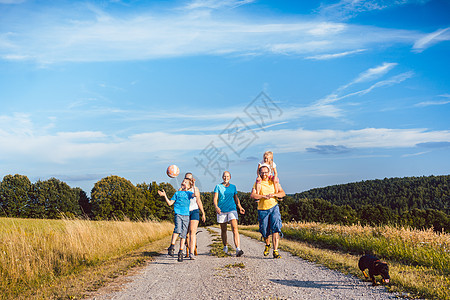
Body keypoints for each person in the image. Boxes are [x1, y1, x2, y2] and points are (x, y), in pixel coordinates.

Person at [250, 165, 286, 258]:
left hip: (274, 207)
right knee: (265, 231)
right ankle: (267, 245)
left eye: (266, 172)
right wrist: (263, 196)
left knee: (276, 228)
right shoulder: (258, 183)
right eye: (262, 172)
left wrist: (274, 195)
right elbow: (253, 195)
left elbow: (282, 193)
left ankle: (275, 251)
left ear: (269, 172)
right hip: (262, 210)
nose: (264, 174)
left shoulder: (274, 182)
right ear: (259, 173)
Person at [158, 178, 194, 262]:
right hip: (178, 214)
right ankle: (172, 246)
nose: (183, 183)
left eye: (186, 182)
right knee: (177, 229)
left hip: (186, 215)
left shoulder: (189, 193)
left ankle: (181, 252)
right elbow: (170, 203)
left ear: (188, 186)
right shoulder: (177, 193)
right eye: (183, 181)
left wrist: (194, 185)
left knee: (184, 234)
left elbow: (195, 195)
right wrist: (165, 196)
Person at [213, 171, 245, 257]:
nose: (225, 178)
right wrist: (216, 207)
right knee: (224, 230)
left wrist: (240, 207)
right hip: (222, 210)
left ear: (230, 177)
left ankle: (238, 249)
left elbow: (236, 199)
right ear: (222, 177)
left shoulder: (233, 187)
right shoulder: (218, 186)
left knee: (235, 228)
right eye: (224, 176)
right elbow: (215, 198)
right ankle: (225, 246)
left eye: (227, 176)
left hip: (232, 209)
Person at [181, 172, 206, 260]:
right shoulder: (181, 190)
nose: (189, 180)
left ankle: (191, 253)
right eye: (187, 178)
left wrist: (203, 212)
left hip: (194, 211)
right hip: (185, 213)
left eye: (190, 179)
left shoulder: (195, 189)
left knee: (192, 232)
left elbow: (198, 200)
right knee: (186, 234)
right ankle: (186, 250)